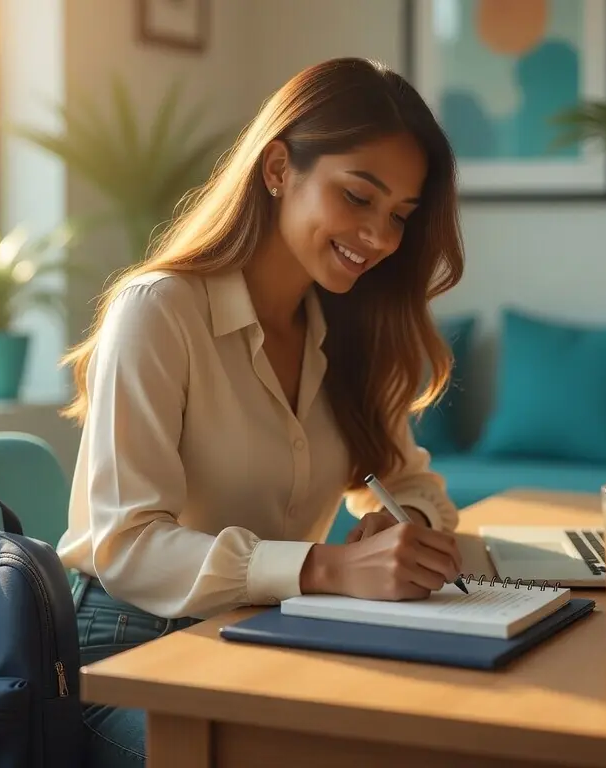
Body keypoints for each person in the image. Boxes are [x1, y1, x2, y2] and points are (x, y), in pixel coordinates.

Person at [55, 56, 466, 767]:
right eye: (358, 197)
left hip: (266, 630)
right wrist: (329, 569)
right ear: (278, 168)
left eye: (400, 215)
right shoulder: (159, 311)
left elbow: (416, 484)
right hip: (128, 643)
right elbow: (128, 546)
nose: (381, 237)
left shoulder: (351, 329)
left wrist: (405, 530)